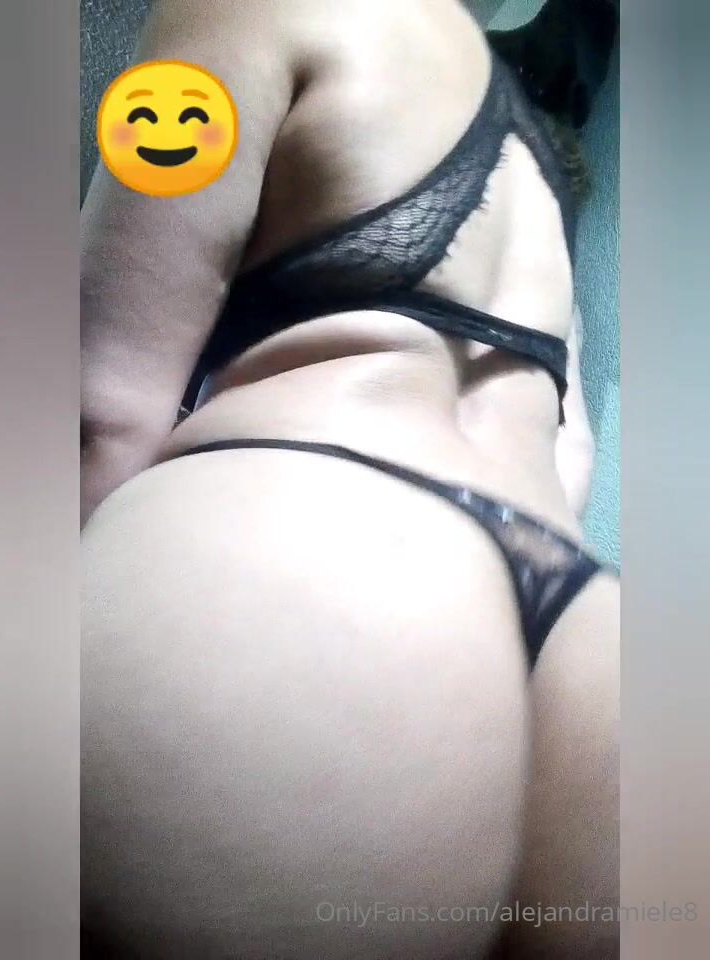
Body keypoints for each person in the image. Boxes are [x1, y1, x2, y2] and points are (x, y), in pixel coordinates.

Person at [81, 1, 619, 957]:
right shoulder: (541, 167)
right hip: (590, 637)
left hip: (327, 557)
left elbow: (102, 409)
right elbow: (570, 454)